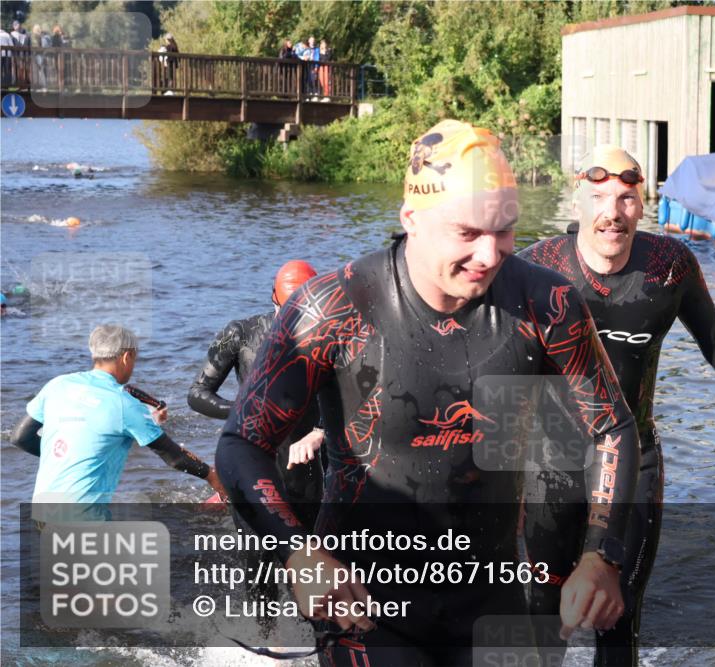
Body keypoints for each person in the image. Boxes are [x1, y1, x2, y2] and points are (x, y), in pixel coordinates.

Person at [216, 119, 642, 665]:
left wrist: (600, 553)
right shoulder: (335, 309)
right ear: (412, 219)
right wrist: (299, 553)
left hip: (492, 594)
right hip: (362, 601)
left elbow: (611, 425)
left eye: (506, 230)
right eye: (467, 233)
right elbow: (242, 444)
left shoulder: (547, 304)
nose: (490, 255)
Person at [519, 145, 715, 666]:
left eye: (627, 199)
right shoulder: (536, 269)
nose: (613, 212)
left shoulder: (669, 265)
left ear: (643, 204)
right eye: (601, 198)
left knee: (618, 617)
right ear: (579, 202)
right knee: (543, 619)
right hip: (549, 466)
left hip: (634, 458)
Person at [189, 260, 322, 633]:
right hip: (253, 459)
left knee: (312, 558)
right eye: (286, 311)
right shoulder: (240, 333)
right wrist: (243, 411)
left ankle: (315, 640)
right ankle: (266, 641)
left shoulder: (331, 335)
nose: (293, 322)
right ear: (273, 300)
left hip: (310, 464)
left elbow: (361, 401)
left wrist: (321, 432)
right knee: (257, 559)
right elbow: (198, 393)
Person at [11, 324, 227, 523]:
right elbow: (174, 457)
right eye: (134, 359)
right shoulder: (124, 404)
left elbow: (21, 438)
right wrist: (213, 477)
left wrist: (70, 457)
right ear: (126, 356)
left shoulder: (57, 385)